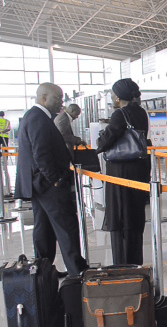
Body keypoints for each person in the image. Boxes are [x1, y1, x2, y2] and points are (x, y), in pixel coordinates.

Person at [15, 83, 88, 277]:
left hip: (37, 184)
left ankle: (43, 269)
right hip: (47, 184)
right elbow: (42, 154)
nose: (61, 103)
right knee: (66, 226)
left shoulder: (35, 116)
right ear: (44, 97)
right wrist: (55, 180)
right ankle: (77, 272)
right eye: (58, 98)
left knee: (44, 228)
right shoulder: (38, 119)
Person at [96, 78, 151, 265]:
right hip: (138, 169)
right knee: (135, 216)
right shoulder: (141, 112)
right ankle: (136, 261)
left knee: (120, 216)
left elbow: (106, 141)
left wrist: (101, 137)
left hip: (120, 171)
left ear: (119, 97)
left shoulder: (120, 114)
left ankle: (122, 263)